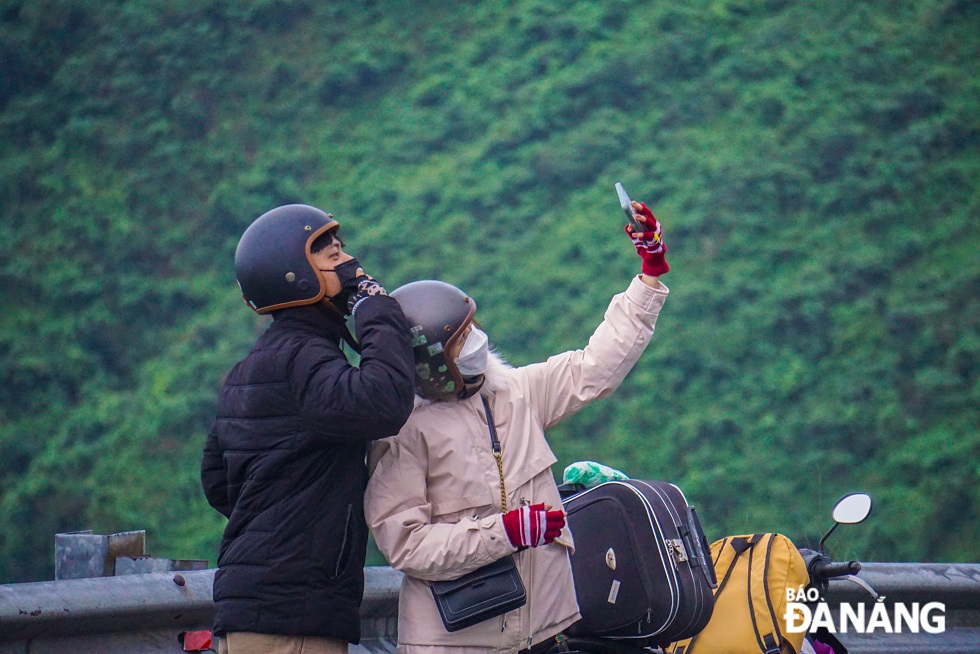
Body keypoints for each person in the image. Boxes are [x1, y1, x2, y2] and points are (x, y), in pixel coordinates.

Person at [364, 199, 671, 653]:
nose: (476, 343)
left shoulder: (514, 393)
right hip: (457, 644)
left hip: (544, 632)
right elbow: (408, 545)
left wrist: (649, 276)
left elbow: (594, 367)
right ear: (430, 364)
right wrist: (504, 534)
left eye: (471, 329)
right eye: (460, 340)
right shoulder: (403, 434)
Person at [201, 204, 416, 654]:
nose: (345, 258)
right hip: (291, 618)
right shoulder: (305, 360)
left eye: (340, 245)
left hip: (253, 609)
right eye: (325, 251)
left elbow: (219, 483)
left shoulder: (251, 367)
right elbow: (383, 400)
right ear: (293, 274)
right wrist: (374, 306)